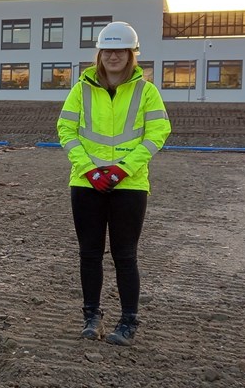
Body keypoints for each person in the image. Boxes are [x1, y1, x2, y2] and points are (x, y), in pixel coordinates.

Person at [57, 21, 171, 346]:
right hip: (86, 183)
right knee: (89, 254)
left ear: (131, 54)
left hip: (130, 186)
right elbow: (66, 131)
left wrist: (122, 170)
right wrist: (89, 169)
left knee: (125, 255)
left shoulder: (146, 91)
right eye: (107, 50)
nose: (113, 56)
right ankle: (91, 317)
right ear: (99, 53)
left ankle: (128, 321)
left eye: (120, 50)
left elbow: (158, 134)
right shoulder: (80, 89)